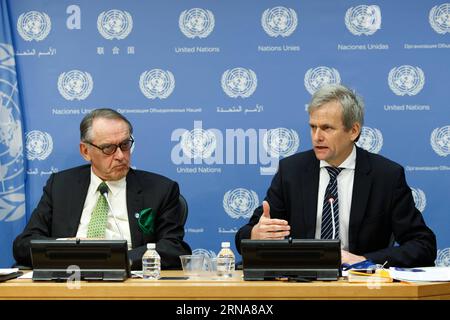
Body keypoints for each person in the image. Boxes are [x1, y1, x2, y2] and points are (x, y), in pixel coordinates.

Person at [235, 84, 436, 267]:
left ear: (353, 131)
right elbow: (245, 235)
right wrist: (256, 234)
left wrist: (363, 260)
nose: (317, 137)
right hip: (302, 283)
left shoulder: (386, 176)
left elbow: (423, 245)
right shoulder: (292, 171)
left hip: (361, 288)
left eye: (327, 128)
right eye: (313, 127)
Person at [13, 108, 191, 270]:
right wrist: (66, 249)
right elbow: (24, 243)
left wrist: (119, 260)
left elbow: (174, 248)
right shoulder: (60, 185)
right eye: (108, 148)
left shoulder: (160, 189)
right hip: (68, 279)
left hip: (128, 280)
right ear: (85, 151)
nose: (120, 156)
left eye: (125, 145)